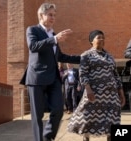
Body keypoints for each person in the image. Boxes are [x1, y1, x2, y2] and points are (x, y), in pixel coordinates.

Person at [19, 3, 80, 141]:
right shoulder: (33, 30)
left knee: (58, 109)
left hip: (53, 79)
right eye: (50, 14)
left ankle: (48, 136)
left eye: (54, 15)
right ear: (41, 15)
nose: (53, 18)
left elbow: (59, 56)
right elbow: (33, 46)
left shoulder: (53, 34)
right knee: (37, 115)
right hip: (36, 78)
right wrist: (54, 39)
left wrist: (83, 57)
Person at [67, 30, 126, 141]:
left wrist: (121, 93)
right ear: (91, 41)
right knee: (88, 117)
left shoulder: (109, 56)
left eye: (103, 37)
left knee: (112, 119)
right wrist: (88, 89)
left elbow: (116, 75)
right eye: (99, 37)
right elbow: (83, 73)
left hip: (111, 94)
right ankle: (86, 137)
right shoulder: (86, 55)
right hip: (94, 93)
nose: (102, 40)